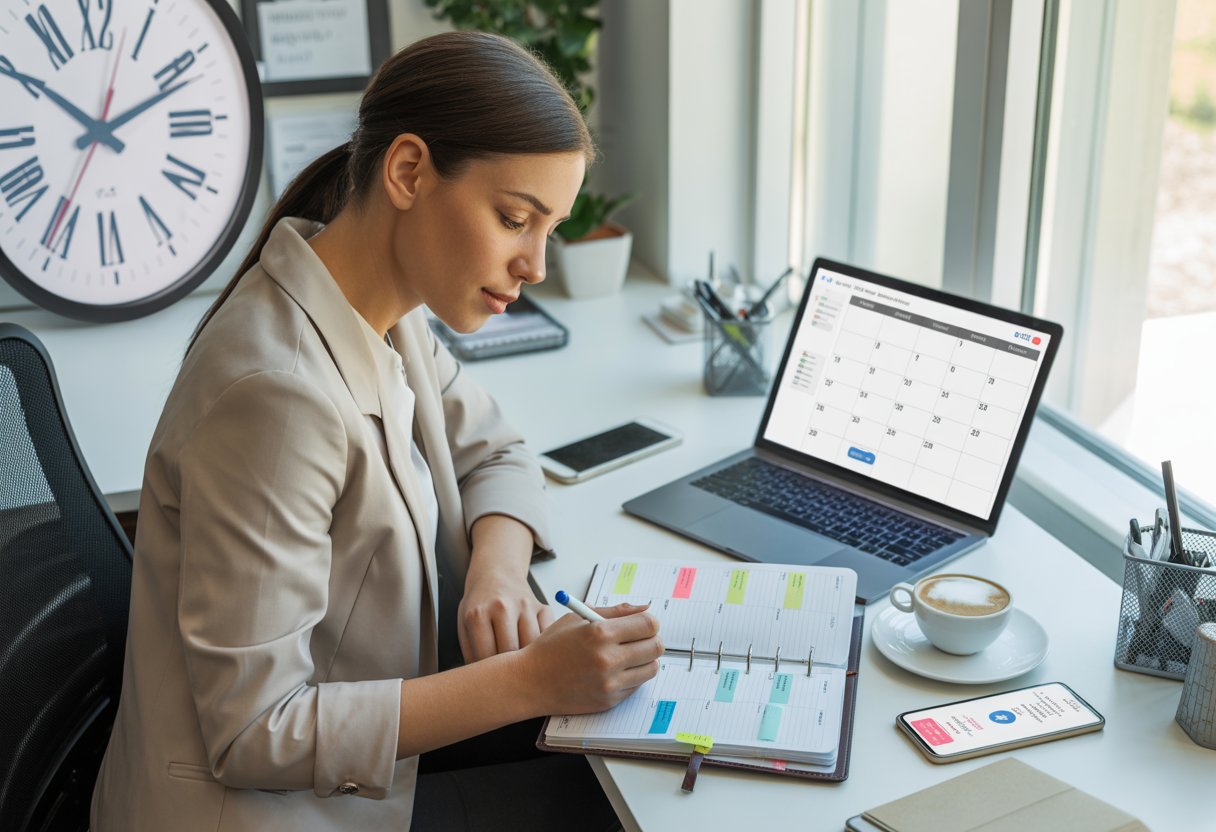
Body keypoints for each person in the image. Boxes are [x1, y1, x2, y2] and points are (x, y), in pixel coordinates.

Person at [91, 31, 663, 832]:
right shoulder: (277, 396)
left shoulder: (386, 314)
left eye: (549, 230)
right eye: (513, 218)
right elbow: (255, 732)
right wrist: (534, 679)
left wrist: (496, 575)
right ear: (407, 173)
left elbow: (495, 450)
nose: (535, 264)